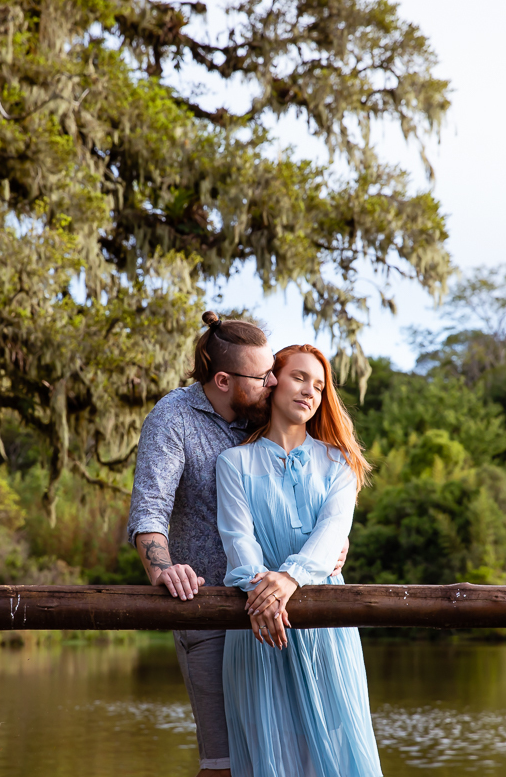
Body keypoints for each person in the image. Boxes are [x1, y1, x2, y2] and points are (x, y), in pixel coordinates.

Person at [127, 312, 349, 777]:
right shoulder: (173, 419)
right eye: (263, 375)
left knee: (298, 757)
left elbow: (311, 491)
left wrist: (328, 551)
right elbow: (150, 507)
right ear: (224, 380)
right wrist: (162, 568)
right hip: (211, 609)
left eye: (274, 371)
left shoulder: (262, 412)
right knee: (225, 762)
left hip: (287, 611)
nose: (273, 382)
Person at [215, 344, 382, 777]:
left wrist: (289, 577)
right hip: (259, 624)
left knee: (334, 749)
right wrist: (262, 591)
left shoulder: (339, 464)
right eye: (299, 377)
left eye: (320, 386)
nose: (311, 391)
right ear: (272, 382)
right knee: (269, 753)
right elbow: (238, 539)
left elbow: (332, 535)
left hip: (326, 625)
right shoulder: (233, 463)